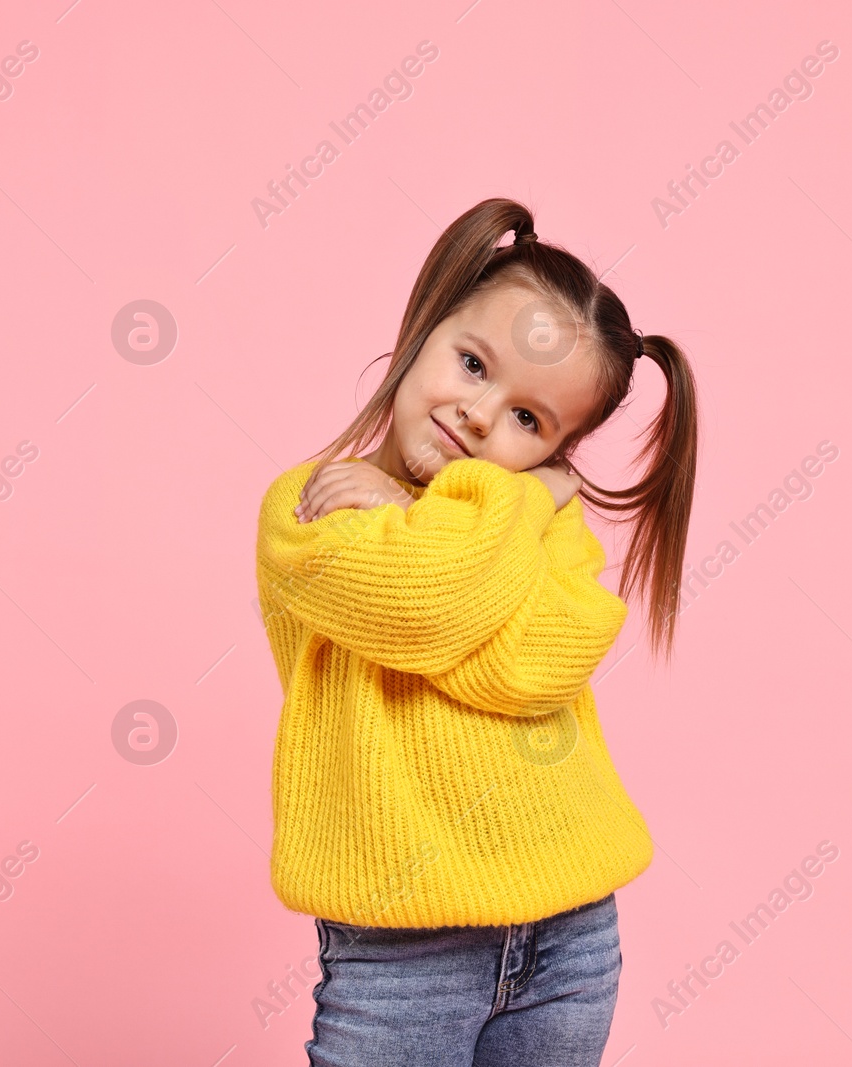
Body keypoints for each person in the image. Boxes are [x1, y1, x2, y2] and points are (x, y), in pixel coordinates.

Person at [253, 196, 699, 1065]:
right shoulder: (312, 511)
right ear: (425, 326)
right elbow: (429, 610)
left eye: (531, 421)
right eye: (472, 363)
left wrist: (500, 509)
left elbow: (538, 667)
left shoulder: (537, 525)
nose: (482, 415)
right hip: (402, 953)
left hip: (569, 933)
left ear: (559, 447)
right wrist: (518, 495)